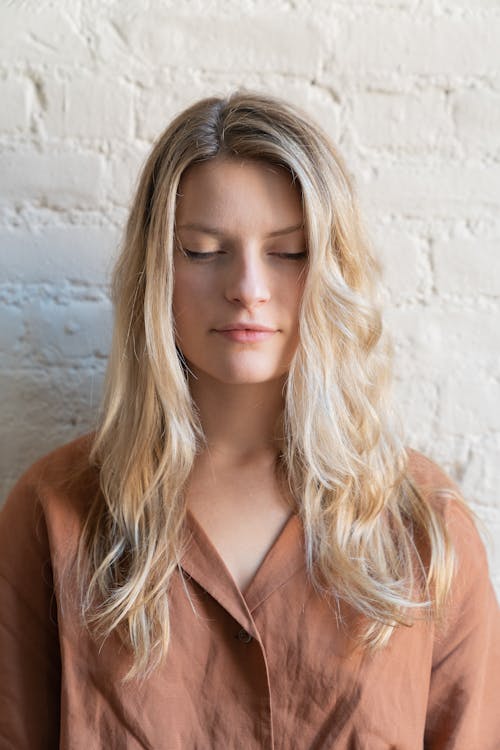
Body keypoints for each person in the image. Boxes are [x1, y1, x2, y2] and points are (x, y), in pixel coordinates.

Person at [0, 90, 499, 750]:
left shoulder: (423, 526)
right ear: (157, 271)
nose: (249, 287)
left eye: (289, 253)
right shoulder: (53, 514)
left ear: (333, 268)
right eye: (205, 251)